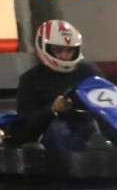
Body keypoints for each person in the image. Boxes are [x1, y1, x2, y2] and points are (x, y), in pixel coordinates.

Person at [11, 20, 104, 150]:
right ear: (44, 48)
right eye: (58, 50)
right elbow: (26, 122)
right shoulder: (31, 79)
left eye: (69, 50)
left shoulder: (89, 71)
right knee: (58, 128)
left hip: (87, 124)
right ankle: (73, 161)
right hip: (51, 133)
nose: (64, 56)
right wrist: (53, 109)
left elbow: (109, 99)